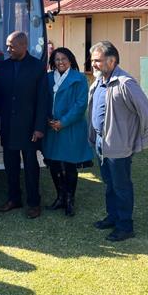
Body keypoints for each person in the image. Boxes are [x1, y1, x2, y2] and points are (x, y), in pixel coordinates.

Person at [87, 41, 148, 242]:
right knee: (109, 183)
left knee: (121, 186)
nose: (93, 64)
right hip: (101, 143)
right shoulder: (98, 82)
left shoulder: (125, 83)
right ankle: (113, 217)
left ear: (112, 60)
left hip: (119, 146)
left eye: (97, 60)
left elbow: (147, 112)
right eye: (92, 60)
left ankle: (125, 226)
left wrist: (141, 140)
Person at [0, 31, 48, 219]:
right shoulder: (3, 67)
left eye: (12, 46)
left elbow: (42, 99)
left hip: (29, 128)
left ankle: (34, 203)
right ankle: (14, 199)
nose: (8, 49)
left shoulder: (38, 67)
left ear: (24, 46)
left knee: (31, 167)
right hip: (8, 126)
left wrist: (39, 127)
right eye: (7, 45)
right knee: (10, 166)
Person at [42, 47, 94, 217]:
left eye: (63, 58)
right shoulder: (48, 78)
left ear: (70, 60)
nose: (60, 62)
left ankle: (70, 200)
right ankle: (60, 197)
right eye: (57, 59)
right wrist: (47, 119)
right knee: (54, 164)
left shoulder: (79, 78)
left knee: (70, 165)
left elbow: (80, 105)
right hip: (52, 128)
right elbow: (42, 100)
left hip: (71, 127)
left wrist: (63, 122)